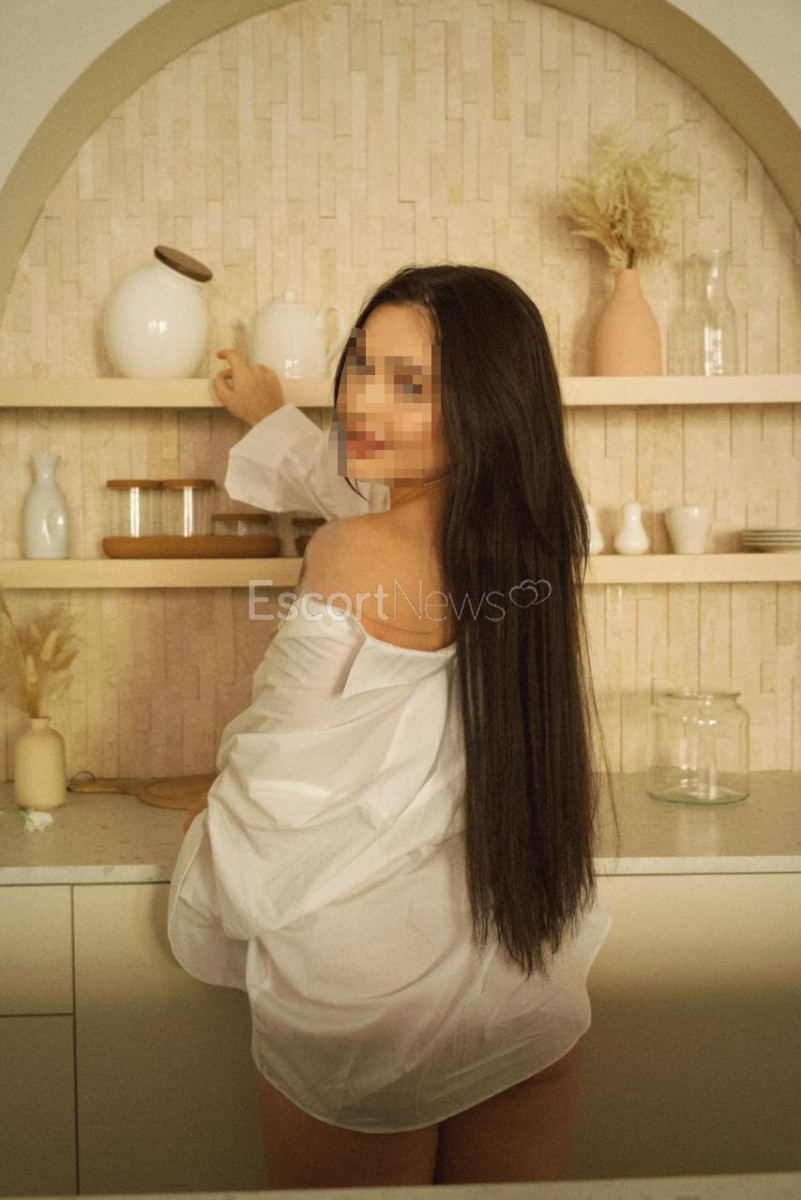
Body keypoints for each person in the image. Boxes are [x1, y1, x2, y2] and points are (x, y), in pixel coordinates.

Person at [168, 263, 619, 1190]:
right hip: (520, 967)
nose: (362, 403)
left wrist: (212, 827)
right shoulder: (534, 542)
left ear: (481, 406)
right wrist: (272, 417)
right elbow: (363, 490)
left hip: (362, 1000)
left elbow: (273, 789)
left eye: (409, 384)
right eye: (361, 366)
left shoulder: (353, 550)